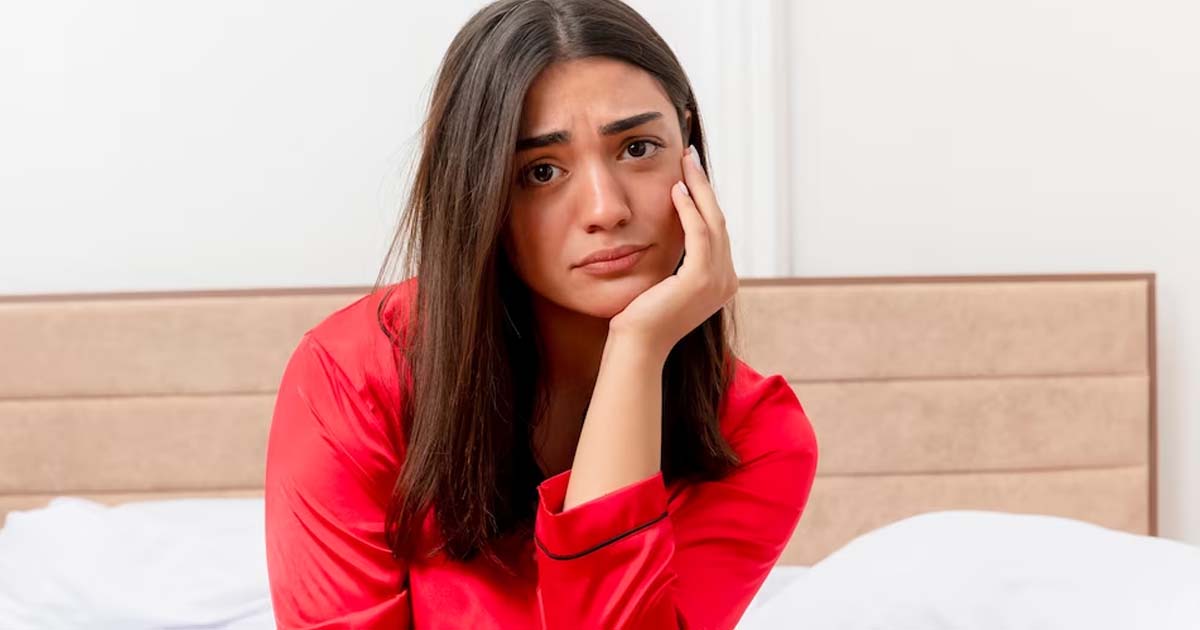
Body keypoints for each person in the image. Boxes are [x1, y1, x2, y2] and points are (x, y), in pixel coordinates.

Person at [263, 0, 818, 628]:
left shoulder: (753, 435)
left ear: (688, 149)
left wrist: (636, 351)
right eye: (541, 171)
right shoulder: (357, 375)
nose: (606, 209)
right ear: (479, 193)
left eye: (638, 148)